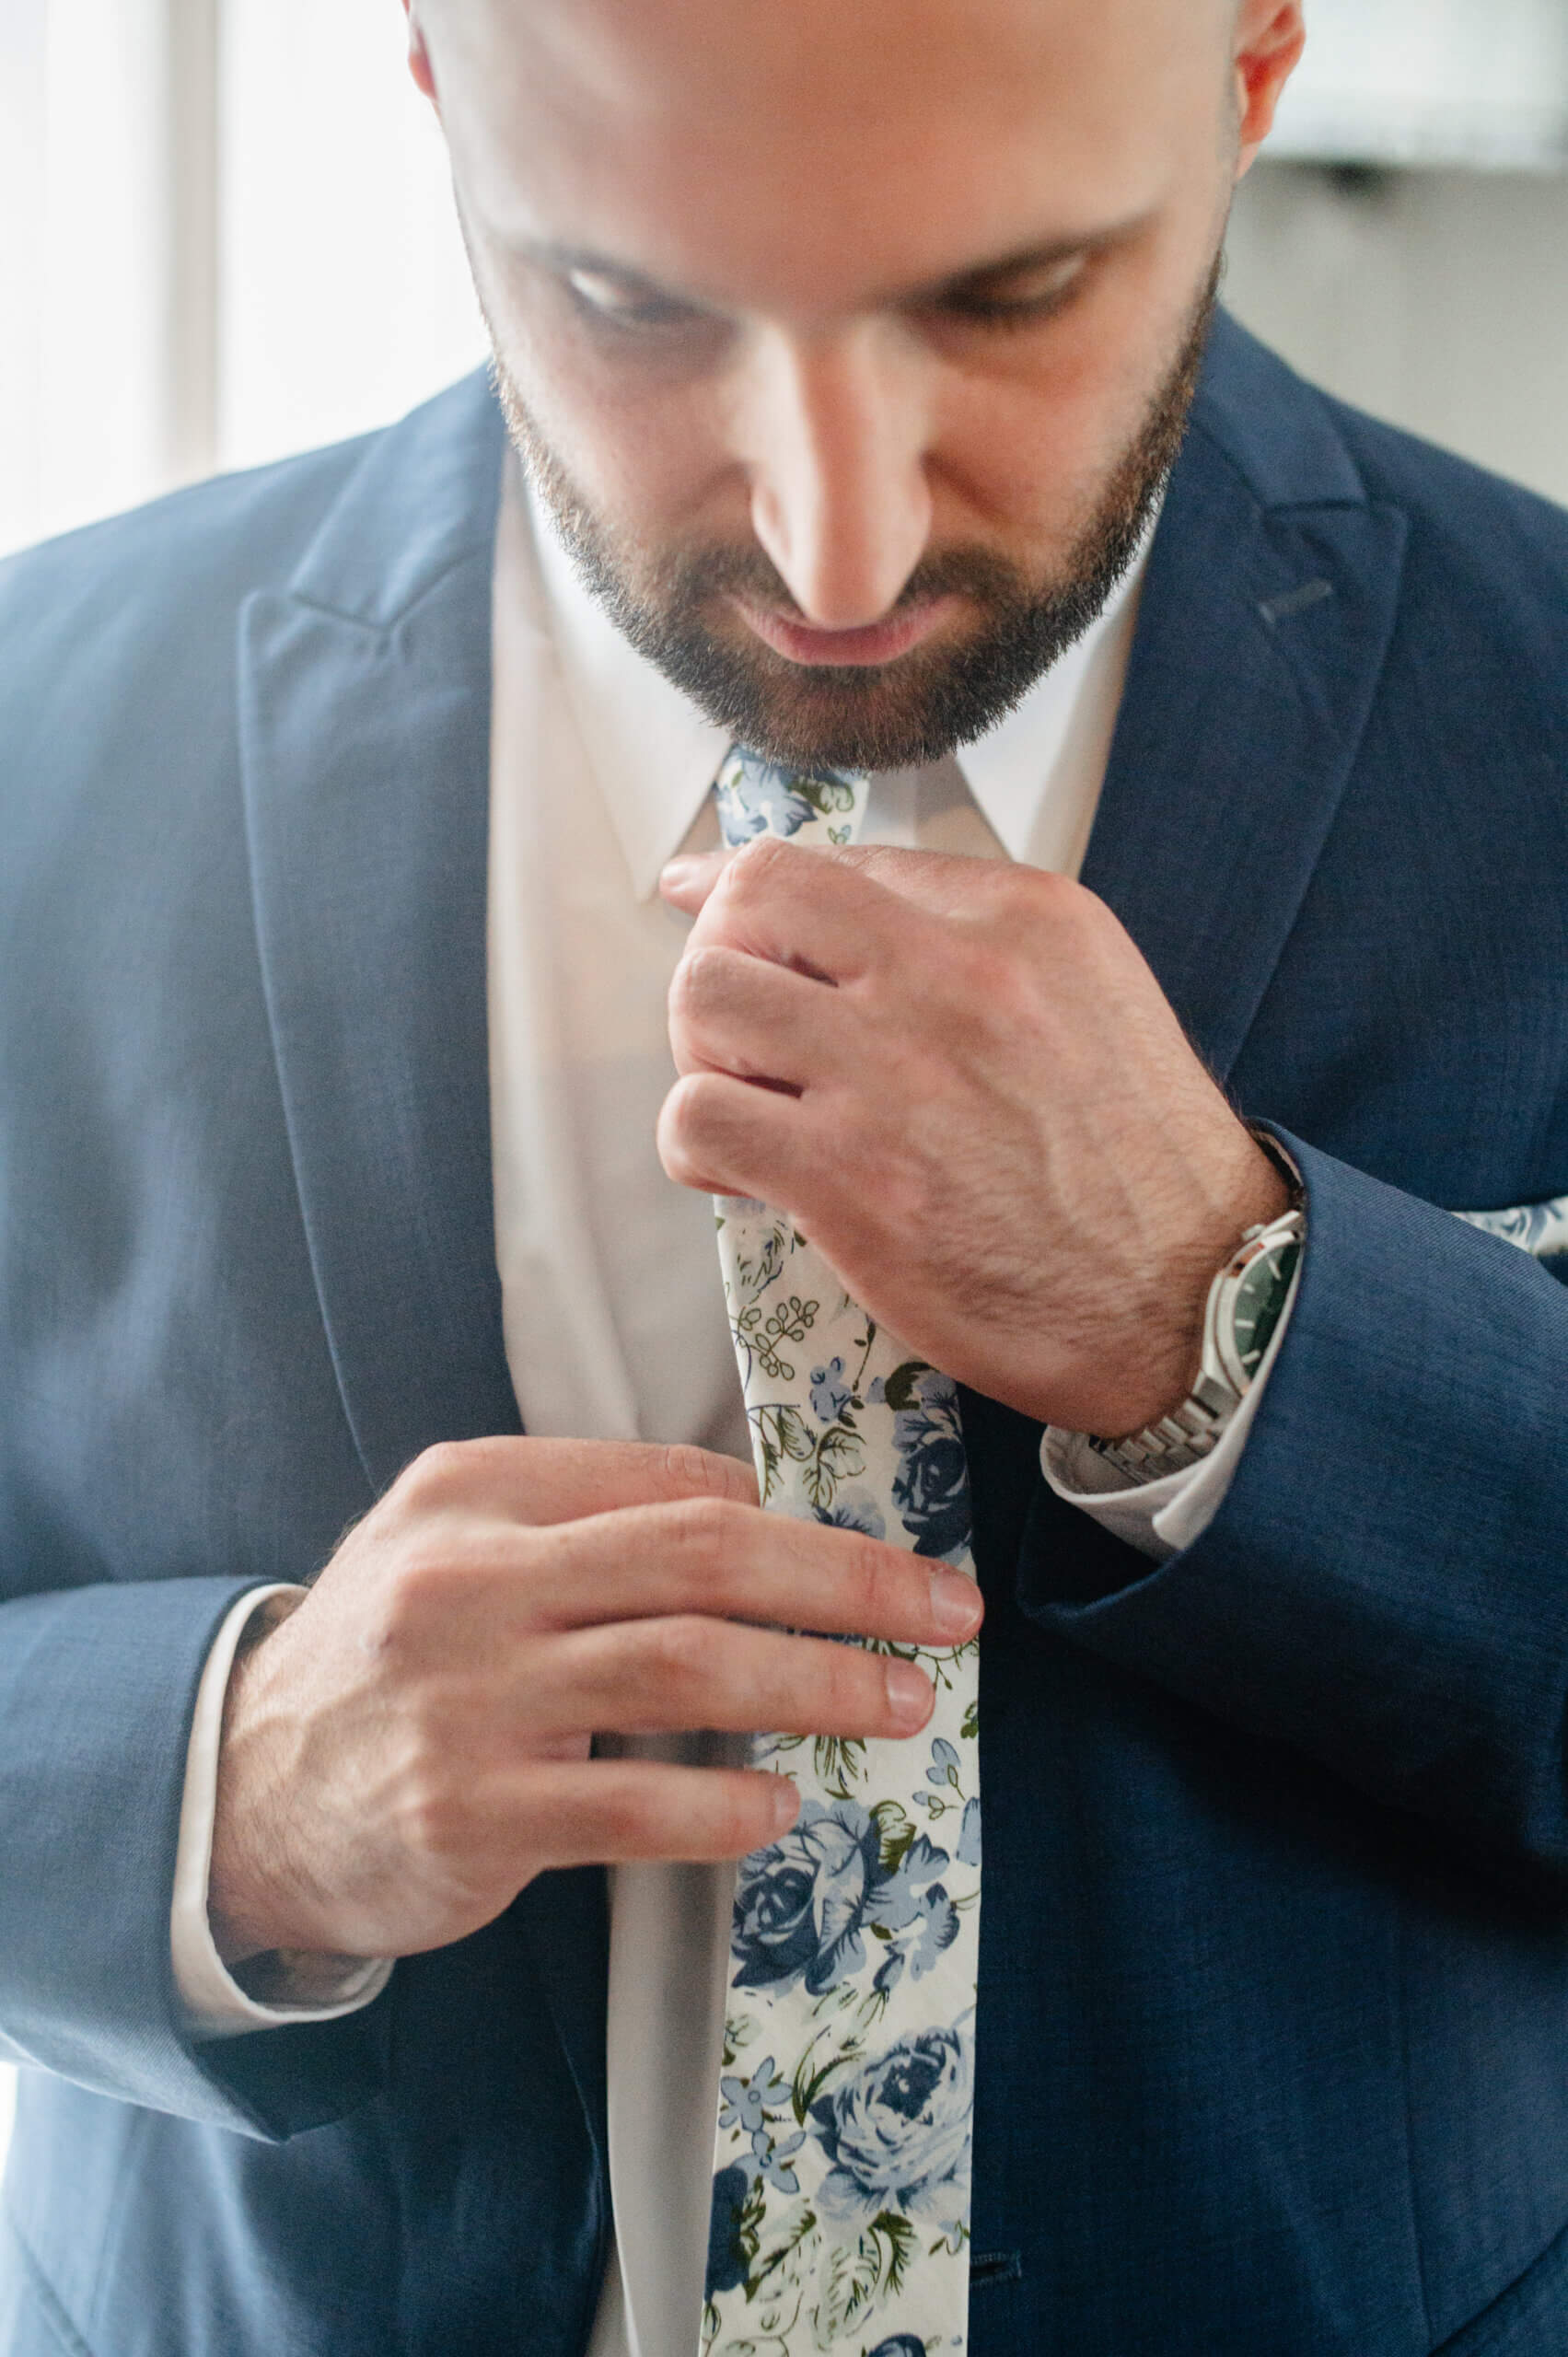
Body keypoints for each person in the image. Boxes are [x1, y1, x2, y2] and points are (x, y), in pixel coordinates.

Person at [3, 0, 1568, 2349]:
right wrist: (229, 1782)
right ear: (432, 67)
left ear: (1255, 59)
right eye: (633, 301)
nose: (835, 542)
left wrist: (1232, 1311)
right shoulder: (35, 730)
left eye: (1006, 293)